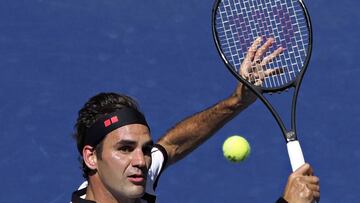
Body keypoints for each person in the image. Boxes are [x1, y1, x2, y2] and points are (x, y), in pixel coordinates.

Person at [70, 37, 320, 203]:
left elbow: (172, 145)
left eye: (144, 149)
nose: (141, 161)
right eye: (124, 149)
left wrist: (236, 101)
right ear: (91, 156)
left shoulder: (131, 176)